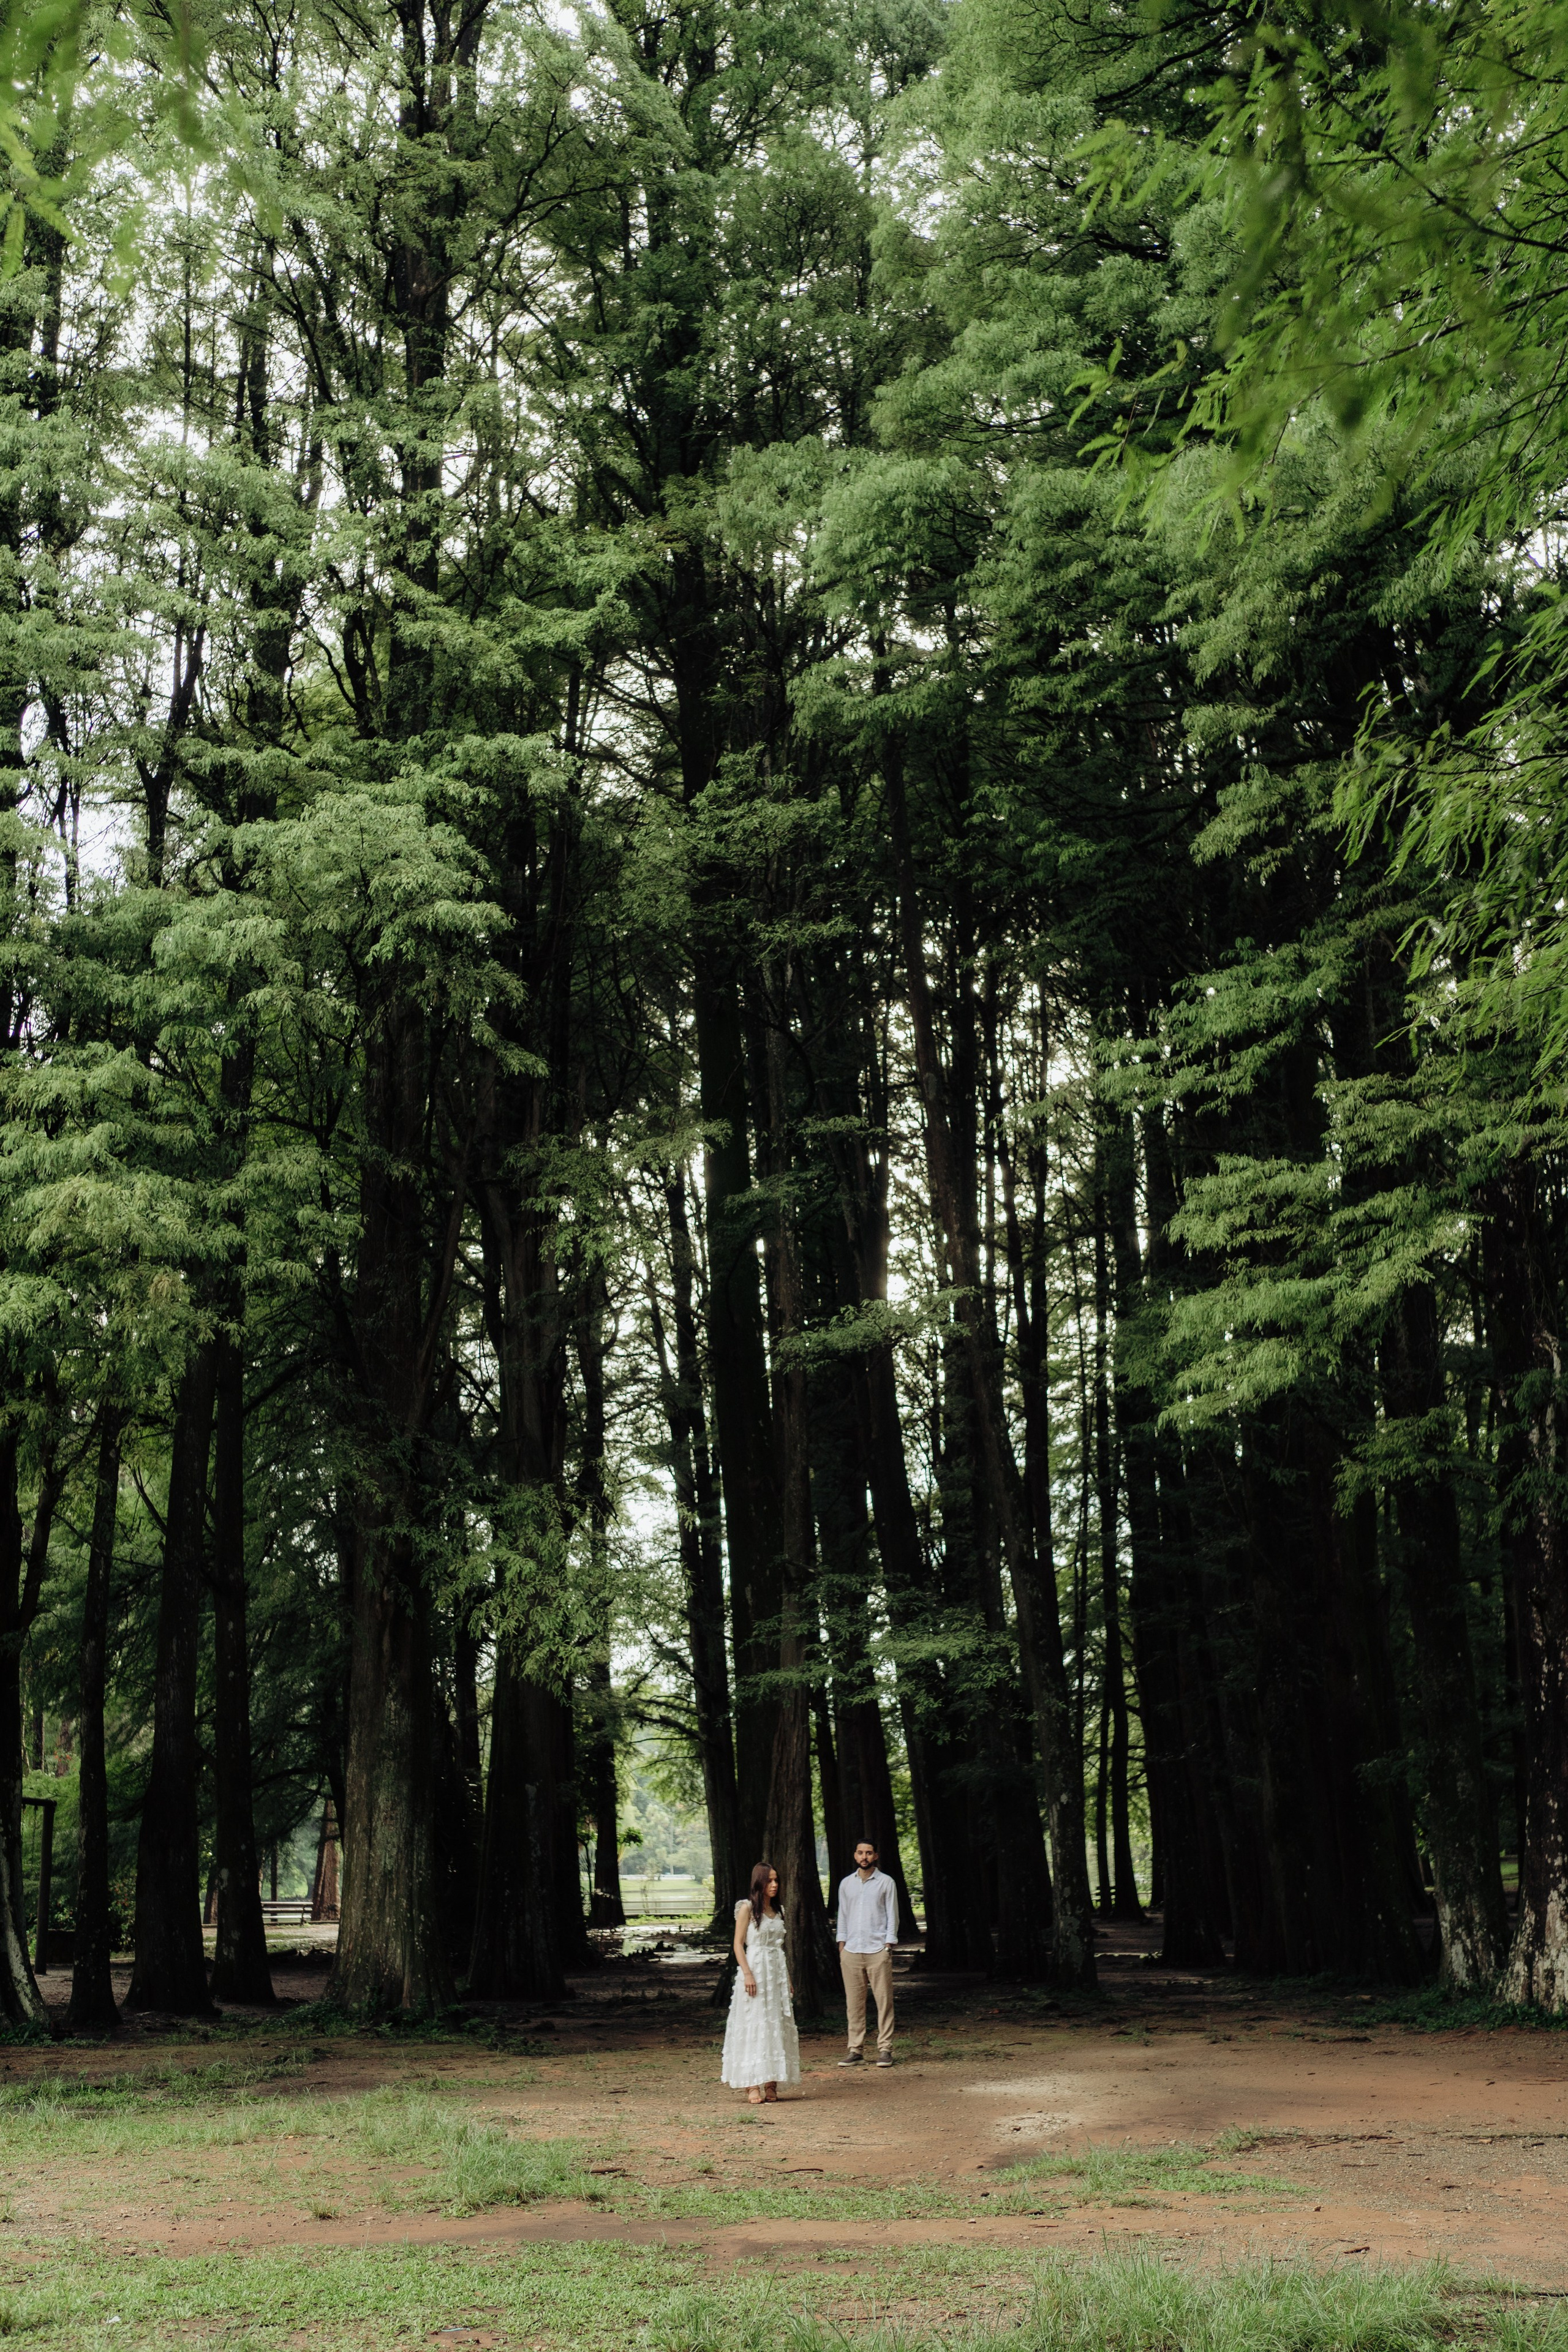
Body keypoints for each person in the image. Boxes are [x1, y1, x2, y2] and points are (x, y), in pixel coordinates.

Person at [720, 1860, 801, 2104]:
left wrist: (786, 1978)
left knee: (775, 2023)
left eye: (777, 1880)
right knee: (754, 2022)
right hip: (755, 1968)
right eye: (770, 1880)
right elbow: (738, 1944)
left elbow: (781, 1949)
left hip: (775, 1971)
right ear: (760, 1882)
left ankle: (772, 2082)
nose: (775, 1884)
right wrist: (747, 1973)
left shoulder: (780, 1911)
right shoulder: (746, 1908)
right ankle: (751, 2083)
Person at [836, 1836, 897, 2066]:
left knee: (884, 2002)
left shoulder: (886, 1883)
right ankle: (855, 2050)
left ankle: (885, 2049)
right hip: (851, 1950)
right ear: (855, 1855)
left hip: (877, 1950)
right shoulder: (846, 1884)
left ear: (876, 1856)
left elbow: (893, 1914)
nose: (865, 1857)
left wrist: (888, 1944)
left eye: (869, 1853)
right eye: (861, 1853)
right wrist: (841, 1944)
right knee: (854, 2004)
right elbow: (842, 1915)